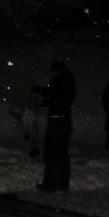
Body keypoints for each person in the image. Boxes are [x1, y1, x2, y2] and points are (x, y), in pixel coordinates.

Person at [32, 61, 76, 192]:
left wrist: (40, 91)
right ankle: (62, 183)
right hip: (63, 121)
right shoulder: (68, 81)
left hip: (58, 121)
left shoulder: (61, 80)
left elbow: (55, 96)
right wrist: (45, 100)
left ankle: (50, 183)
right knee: (60, 153)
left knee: (51, 152)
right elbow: (59, 99)